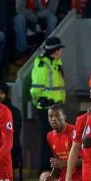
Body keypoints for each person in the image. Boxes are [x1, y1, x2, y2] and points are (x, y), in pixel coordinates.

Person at [30, 37, 66, 171]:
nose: (61, 52)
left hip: (57, 108)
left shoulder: (55, 63)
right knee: (49, 140)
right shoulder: (42, 65)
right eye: (60, 49)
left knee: (57, 140)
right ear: (55, 51)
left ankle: (55, 168)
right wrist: (42, 99)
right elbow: (36, 89)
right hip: (47, 109)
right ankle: (45, 169)